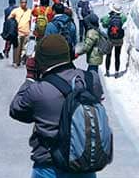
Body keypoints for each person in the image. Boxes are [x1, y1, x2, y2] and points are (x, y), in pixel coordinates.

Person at [9, 34, 102, 178]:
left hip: (49, 165)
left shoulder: (39, 90)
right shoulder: (91, 79)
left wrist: (30, 77)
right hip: (85, 164)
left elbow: (17, 110)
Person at [79, 13, 106, 81]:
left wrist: (77, 53)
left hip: (93, 57)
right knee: (94, 72)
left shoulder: (91, 32)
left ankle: (93, 88)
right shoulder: (97, 29)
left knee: (92, 74)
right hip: (97, 55)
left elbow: (86, 47)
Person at [103, 5, 127, 77]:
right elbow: (125, 25)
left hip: (110, 39)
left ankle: (107, 71)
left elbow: (104, 24)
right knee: (117, 56)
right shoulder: (123, 17)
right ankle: (117, 72)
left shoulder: (109, 17)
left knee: (108, 55)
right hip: (119, 40)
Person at [10, 0, 33, 67]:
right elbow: (9, 19)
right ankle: (15, 62)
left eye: (25, 2)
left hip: (26, 32)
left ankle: (20, 61)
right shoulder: (15, 11)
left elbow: (30, 21)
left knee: (24, 48)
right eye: (22, 2)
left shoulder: (29, 11)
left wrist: (30, 30)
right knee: (17, 47)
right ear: (20, 3)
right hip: (18, 32)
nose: (24, 4)